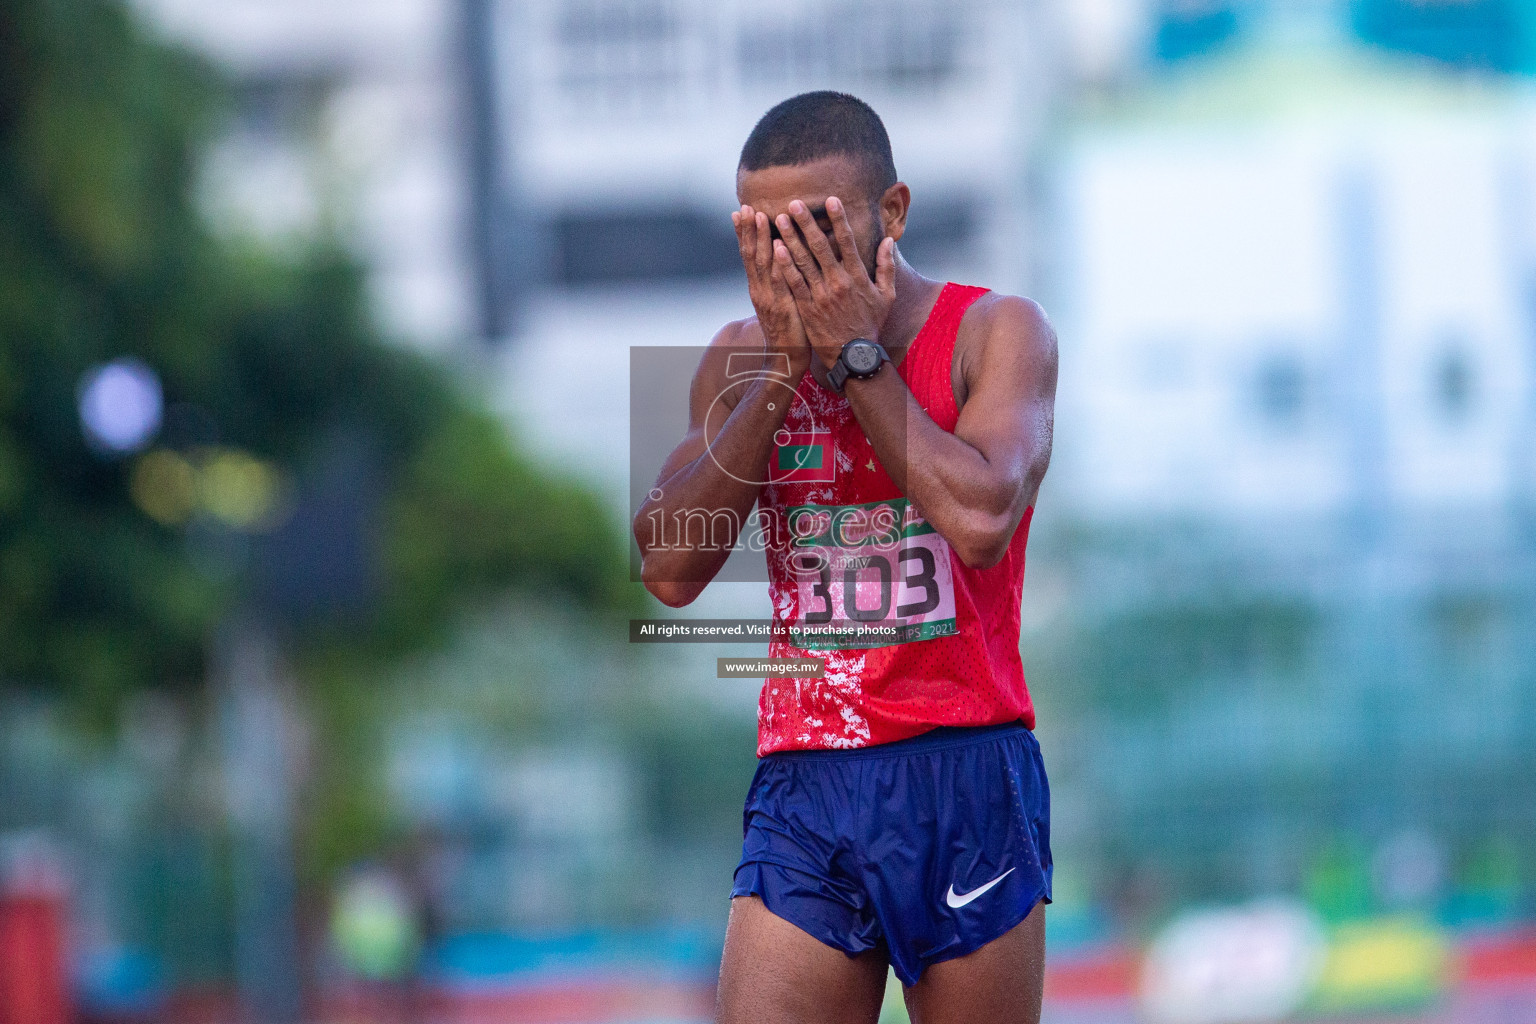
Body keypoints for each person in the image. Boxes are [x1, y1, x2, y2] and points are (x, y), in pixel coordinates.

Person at [633, 91, 1059, 1024]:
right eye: (767, 235)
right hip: (807, 776)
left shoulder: (997, 332)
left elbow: (982, 517)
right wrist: (786, 368)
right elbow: (667, 568)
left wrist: (858, 360)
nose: (795, 260)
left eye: (818, 230)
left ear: (891, 214)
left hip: (964, 770)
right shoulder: (735, 358)